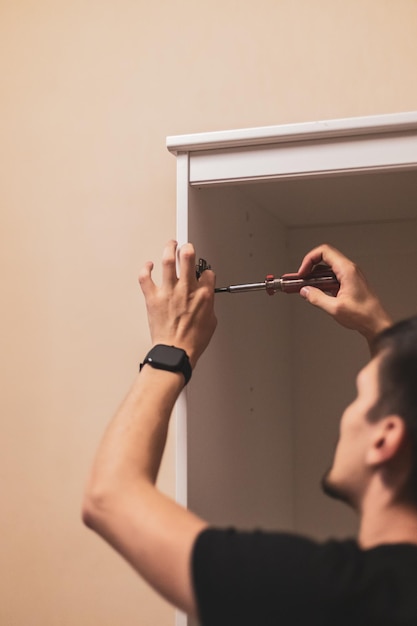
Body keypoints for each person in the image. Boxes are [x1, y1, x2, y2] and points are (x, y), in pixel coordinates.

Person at [82, 241, 417, 625]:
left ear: (385, 438)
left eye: (360, 397)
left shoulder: (325, 590)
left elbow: (109, 498)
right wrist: (376, 325)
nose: (348, 412)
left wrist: (171, 347)